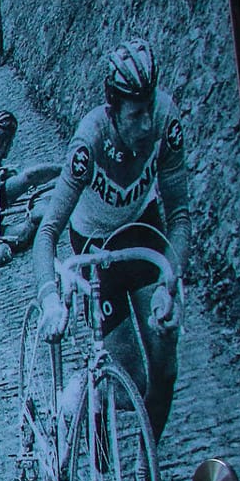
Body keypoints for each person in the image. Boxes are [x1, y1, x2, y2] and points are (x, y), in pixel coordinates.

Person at [33, 39, 191, 443]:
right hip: (94, 241)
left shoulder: (166, 121)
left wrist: (170, 284)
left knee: (165, 363)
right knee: (131, 378)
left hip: (141, 225)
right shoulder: (90, 141)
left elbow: (180, 215)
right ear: (112, 109)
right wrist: (50, 297)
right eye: (135, 115)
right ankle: (87, 392)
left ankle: (145, 468)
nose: (144, 126)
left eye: (148, 110)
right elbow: (48, 231)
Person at [0, 110, 61, 264]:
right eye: (11, 142)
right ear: (5, 143)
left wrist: (3, 173)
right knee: (34, 221)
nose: (12, 146)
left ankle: (65, 170)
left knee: (28, 176)